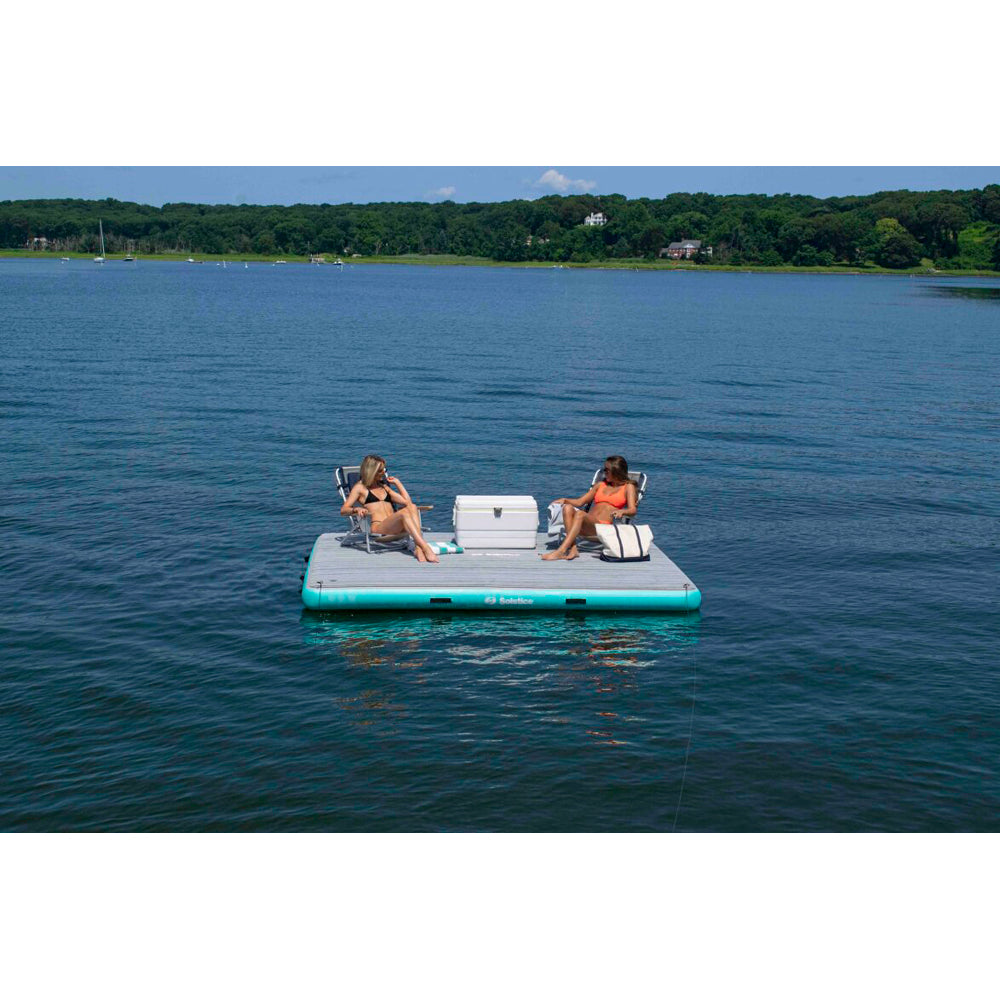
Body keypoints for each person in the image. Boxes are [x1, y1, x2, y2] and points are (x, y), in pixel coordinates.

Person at [340, 454, 439, 563]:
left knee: (412, 507)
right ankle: (425, 547)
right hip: (379, 528)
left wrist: (398, 483)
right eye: (380, 470)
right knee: (404, 513)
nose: (384, 472)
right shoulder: (360, 488)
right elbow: (344, 510)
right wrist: (356, 510)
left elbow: (407, 502)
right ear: (371, 471)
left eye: (384, 469)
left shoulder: (384, 487)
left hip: (395, 527)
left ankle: (418, 548)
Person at [541, 455, 639, 561]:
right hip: (586, 524)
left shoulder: (628, 487)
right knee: (567, 508)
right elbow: (580, 502)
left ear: (616, 471)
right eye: (604, 469)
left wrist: (622, 511)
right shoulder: (600, 485)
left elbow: (632, 510)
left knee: (580, 514)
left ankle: (561, 551)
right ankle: (573, 548)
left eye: (607, 470)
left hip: (603, 528)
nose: (604, 472)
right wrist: (565, 500)